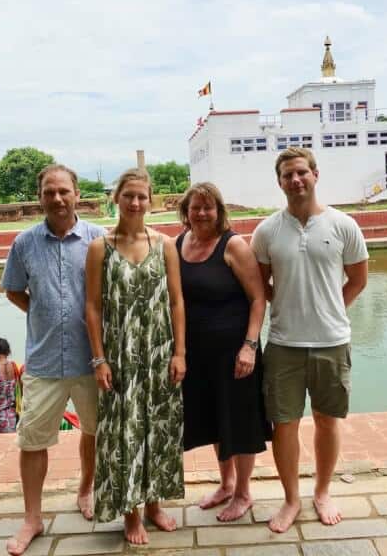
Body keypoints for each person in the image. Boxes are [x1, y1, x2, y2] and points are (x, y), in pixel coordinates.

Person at [251, 147, 369, 533]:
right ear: (280, 182)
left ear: (315, 175)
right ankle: (291, 499)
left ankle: (322, 491)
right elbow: (260, 285)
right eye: (288, 175)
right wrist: (285, 304)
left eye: (302, 172)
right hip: (284, 344)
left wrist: (333, 309)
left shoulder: (343, 225)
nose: (296, 180)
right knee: (284, 424)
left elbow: (358, 279)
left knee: (326, 421)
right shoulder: (267, 231)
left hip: (332, 342)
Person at [1, 164, 106, 556]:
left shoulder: (99, 238)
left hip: (91, 359)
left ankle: (87, 487)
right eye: (49, 192)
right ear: (40, 196)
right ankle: (33, 517)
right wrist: (41, 313)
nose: (57, 198)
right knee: (32, 441)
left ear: (77, 193)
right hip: (44, 360)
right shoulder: (24, 243)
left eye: (64, 191)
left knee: (93, 431)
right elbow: (13, 290)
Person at [85, 167, 186, 546]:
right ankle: (130, 512)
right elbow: (92, 308)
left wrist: (179, 352)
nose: (136, 202)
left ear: (151, 199)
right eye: (129, 195)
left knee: (159, 427)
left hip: (159, 354)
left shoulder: (165, 244)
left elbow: (176, 301)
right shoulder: (101, 247)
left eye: (142, 196)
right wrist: (99, 359)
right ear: (117, 198)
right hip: (120, 356)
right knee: (124, 432)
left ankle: (155, 505)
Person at [176, 182, 271, 522]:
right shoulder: (178, 244)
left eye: (208, 207)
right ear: (185, 212)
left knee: (240, 421)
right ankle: (226, 483)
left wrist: (249, 346)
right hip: (199, 353)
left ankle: (244, 492)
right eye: (195, 207)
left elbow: (258, 299)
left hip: (235, 352)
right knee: (216, 418)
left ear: (219, 211)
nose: (202, 213)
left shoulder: (233, 246)